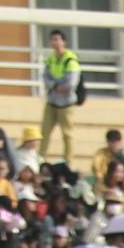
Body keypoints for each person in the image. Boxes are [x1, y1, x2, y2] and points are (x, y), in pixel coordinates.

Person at [39, 29, 83, 166]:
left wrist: (56, 85)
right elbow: (45, 78)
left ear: (64, 41)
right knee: (44, 132)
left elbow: (71, 83)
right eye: (53, 39)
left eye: (58, 39)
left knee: (67, 134)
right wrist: (56, 86)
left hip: (66, 103)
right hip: (52, 101)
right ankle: (40, 158)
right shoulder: (50, 59)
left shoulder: (70, 59)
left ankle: (68, 161)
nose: (55, 42)